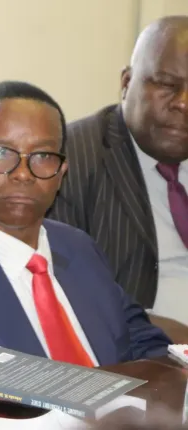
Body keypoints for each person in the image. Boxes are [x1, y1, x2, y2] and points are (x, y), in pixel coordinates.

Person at [0, 81, 171, 399]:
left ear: (61, 172)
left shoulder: (79, 248)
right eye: (1, 153)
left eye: (42, 155)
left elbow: (145, 343)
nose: (23, 173)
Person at [48, 16, 188, 341]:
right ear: (126, 83)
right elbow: (69, 297)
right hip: (142, 353)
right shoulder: (70, 161)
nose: (183, 103)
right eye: (167, 84)